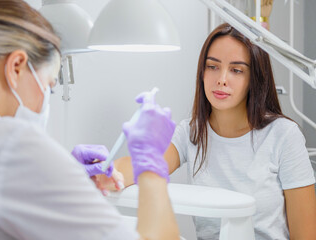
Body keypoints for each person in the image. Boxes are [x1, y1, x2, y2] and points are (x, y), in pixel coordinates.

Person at [0, 0, 180, 239]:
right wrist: (152, 164)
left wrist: (58, 178)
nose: (45, 101)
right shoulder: (10, 146)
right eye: (49, 87)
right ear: (16, 67)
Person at [102, 23, 316, 240]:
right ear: (202, 73)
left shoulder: (283, 135)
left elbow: (306, 235)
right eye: (212, 66)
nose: (221, 79)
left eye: (236, 70)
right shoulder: (191, 132)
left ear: (255, 79)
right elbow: (141, 165)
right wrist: (105, 173)